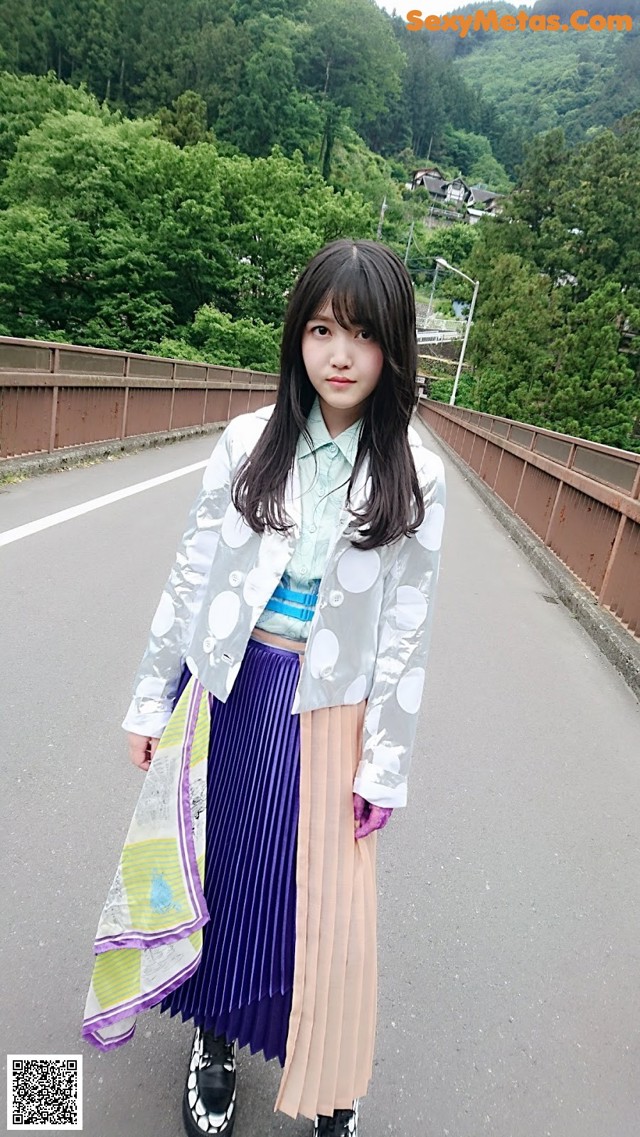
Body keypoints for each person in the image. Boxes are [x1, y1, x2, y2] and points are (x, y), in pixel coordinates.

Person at [82, 238, 446, 1137]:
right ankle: (214, 1038)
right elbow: (190, 577)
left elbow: (406, 629)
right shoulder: (248, 441)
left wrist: (384, 765)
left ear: (393, 347)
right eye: (322, 330)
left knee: (326, 905)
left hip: (332, 711)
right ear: (297, 337)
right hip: (231, 693)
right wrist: (150, 700)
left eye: (362, 334)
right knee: (221, 869)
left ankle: (331, 1077)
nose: (339, 354)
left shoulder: (417, 469)